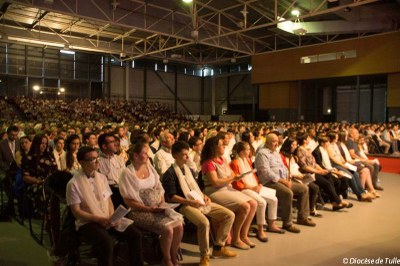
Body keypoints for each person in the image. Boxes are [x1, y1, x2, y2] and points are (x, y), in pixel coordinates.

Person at [162, 141, 237, 266]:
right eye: (184, 155)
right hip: (183, 206)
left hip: (198, 201)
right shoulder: (170, 173)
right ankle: (204, 255)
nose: (187, 157)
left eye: (187, 154)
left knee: (229, 215)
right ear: (175, 155)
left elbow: (196, 188)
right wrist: (189, 202)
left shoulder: (189, 170)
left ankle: (218, 247)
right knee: (204, 222)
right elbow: (171, 197)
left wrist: (205, 197)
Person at [66, 147, 143, 266]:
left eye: (97, 158)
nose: (97, 161)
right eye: (92, 159)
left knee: (135, 234)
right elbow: (76, 212)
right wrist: (99, 219)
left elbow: (109, 201)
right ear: (81, 162)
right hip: (88, 222)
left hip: (107, 218)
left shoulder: (101, 178)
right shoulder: (73, 184)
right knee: (106, 242)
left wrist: (113, 217)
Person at [119, 142, 183, 266]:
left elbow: (159, 188)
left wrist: (162, 204)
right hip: (139, 211)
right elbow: (128, 200)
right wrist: (148, 208)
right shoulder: (127, 173)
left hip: (156, 207)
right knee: (168, 229)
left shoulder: (149, 166)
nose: (148, 155)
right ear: (136, 156)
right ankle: (167, 259)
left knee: (179, 225)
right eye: (145, 153)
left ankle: (173, 256)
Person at [201, 136, 257, 250]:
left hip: (225, 188)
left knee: (254, 203)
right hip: (214, 191)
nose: (224, 147)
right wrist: (230, 179)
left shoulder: (223, 160)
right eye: (222, 145)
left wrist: (229, 179)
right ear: (214, 148)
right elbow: (215, 182)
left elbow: (231, 175)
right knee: (245, 206)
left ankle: (243, 235)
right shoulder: (208, 163)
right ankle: (236, 239)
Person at [254, 133, 316, 234]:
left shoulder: (276, 153)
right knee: (288, 193)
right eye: (274, 142)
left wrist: (287, 179)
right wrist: (283, 181)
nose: (276, 144)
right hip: (269, 182)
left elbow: (283, 167)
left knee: (304, 189)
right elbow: (266, 173)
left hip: (282, 180)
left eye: (277, 142)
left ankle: (302, 217)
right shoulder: (262, 153)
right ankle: (287, 223)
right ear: (268, 142)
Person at [230, 141, 283, 241]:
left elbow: (252, 175)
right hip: (243, 189)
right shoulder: (234, 163)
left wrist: (258, 184)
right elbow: (237, 184)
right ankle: (260, 230)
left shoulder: (247, 160)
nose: (250, 151)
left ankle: (272, 224)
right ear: (241, 152)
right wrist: (252, 188)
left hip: (253, 186)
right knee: (262, 202)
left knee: (274, 199)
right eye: (248, 149)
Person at [296, 132, 352, 211]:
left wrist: (322, 170)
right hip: (309, 173)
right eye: (308, 138)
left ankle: (335, 203)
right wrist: (319, 172)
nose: (309, 139)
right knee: (327, 183)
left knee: (330, 178)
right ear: (305, 140)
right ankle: (338, 201)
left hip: (315, 171)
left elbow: (314, 163)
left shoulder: (307, 149)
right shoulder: (300, 150)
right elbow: (304, 166)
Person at [279, 138, 322, 217]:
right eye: (292, 144)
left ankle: (309, 210)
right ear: (287, 145)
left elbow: (295, 169)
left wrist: (302, 176)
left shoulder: (293, 157)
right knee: (308, 188)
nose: (294, 147)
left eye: (295, 145)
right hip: (290, 178)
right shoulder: (282, 156)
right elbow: (287, 171)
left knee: (314, 187)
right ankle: (306, 212)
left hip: (298, 177)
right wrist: (297, 176)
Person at [97, 133, 126, 207]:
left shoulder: (119, 159)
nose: (115, 144)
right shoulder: (97, 161)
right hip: (106, 191)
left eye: (115, 141)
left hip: (121, 189)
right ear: (104, 146)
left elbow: (125, 176)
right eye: (112, 142)